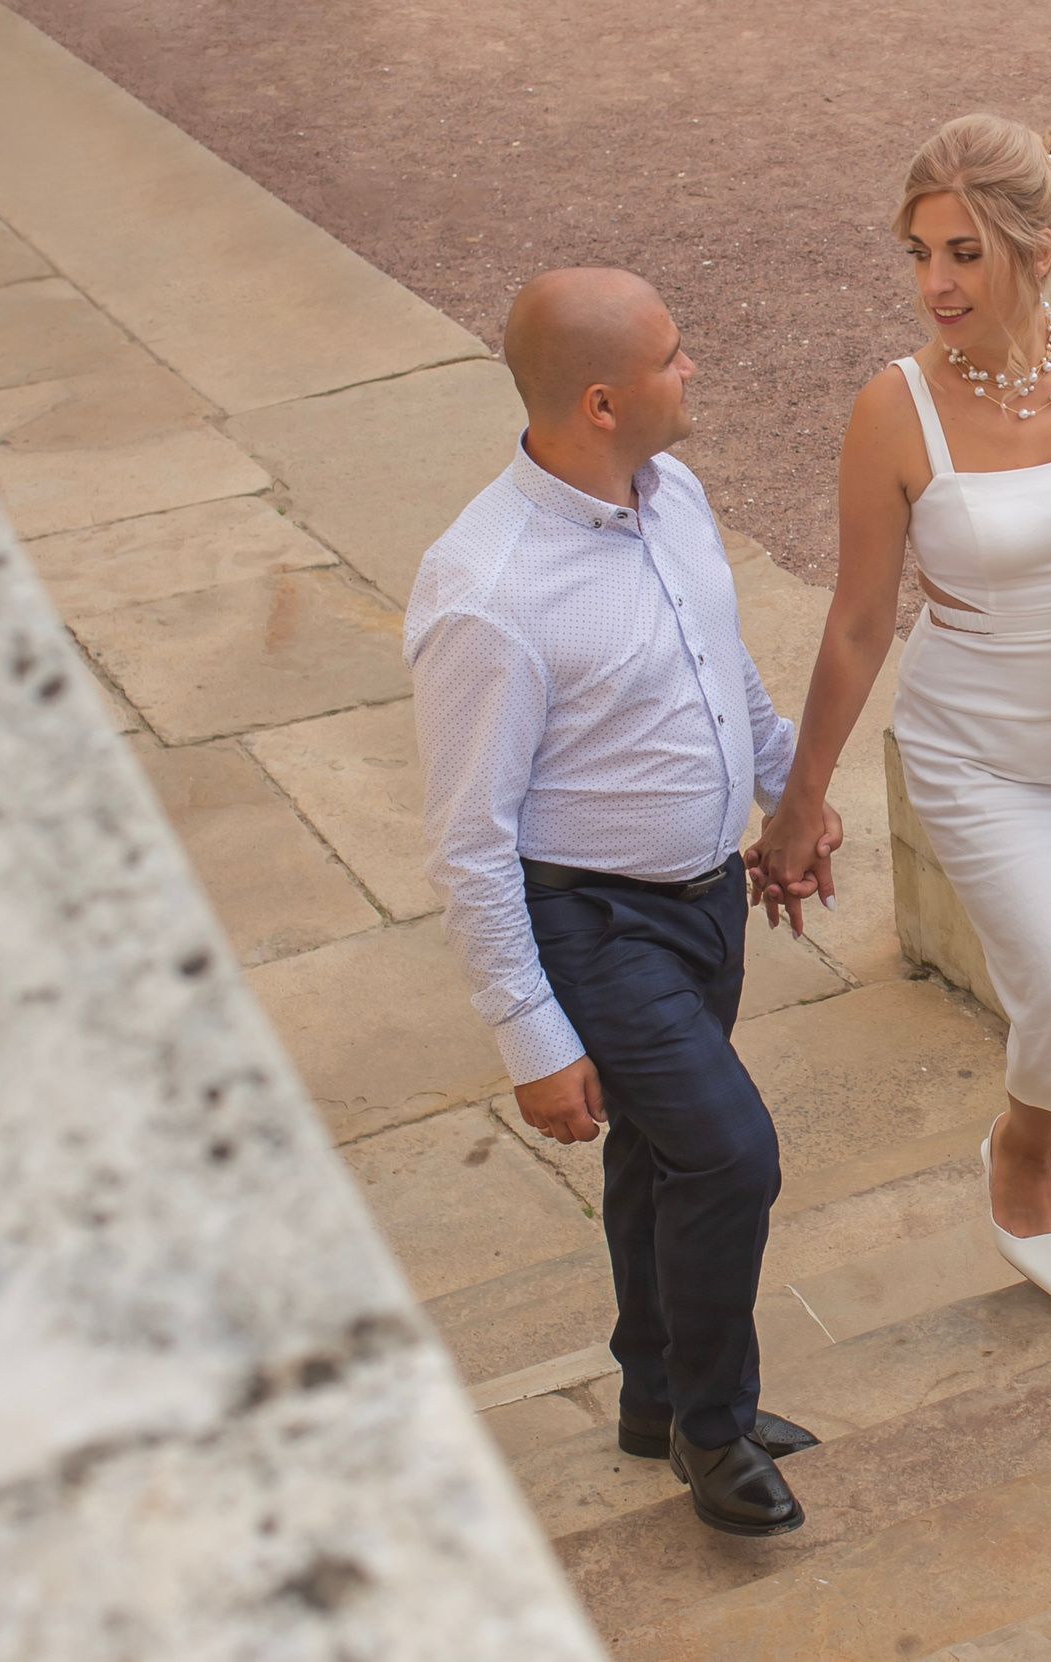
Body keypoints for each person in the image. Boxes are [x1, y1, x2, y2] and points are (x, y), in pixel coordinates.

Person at [753, 115, 1051, 1338]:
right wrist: (800, 799)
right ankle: (1019, 1155)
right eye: (917, 254)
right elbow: (860, 625)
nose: (934, 285)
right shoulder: (892, 410)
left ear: (1040, 246)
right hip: (984, 756)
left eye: (962, 253)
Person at [404, 267, 840, 1538]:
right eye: (671, 356)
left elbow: (720, 674)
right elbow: (469, 846)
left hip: (707, 902)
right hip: (593, 923)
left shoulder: (675, 493)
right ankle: (714, 1434)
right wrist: (534, 1041)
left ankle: (653, 1396)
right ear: (601, 400)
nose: (691, 370)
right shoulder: (486, 590)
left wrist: (787, 798)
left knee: (662, 1158)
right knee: (729, 1154)